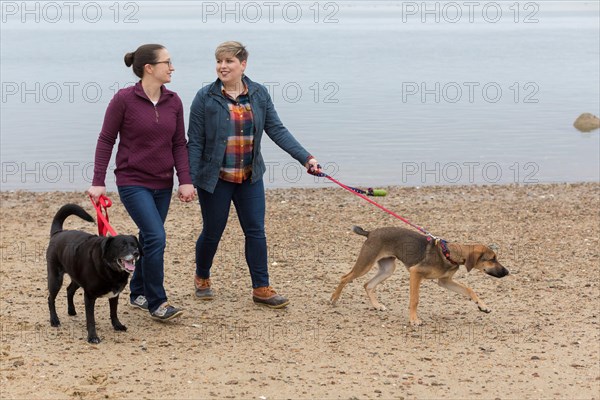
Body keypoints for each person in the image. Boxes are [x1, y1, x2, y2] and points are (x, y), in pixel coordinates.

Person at [187, 41, 321, 308]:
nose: (222, 67)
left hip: (250, 177)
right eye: (219, 62)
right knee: (213, 232)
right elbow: (195, 142)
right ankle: (202, 276)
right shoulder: (205, 97)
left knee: (256, 231)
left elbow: (277, 130)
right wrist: (188, 180)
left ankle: (261, 287)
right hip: (215, 179)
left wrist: (306, 158)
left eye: (229, 62)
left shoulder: (259, 94)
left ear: (243, 65)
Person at [88, 44, 195, 321]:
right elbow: (106, 139)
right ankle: (158, 303)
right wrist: (98, 180)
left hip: (163, 183)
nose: (172, 68)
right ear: (149, 68)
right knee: (157, 237)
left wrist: (185, 180)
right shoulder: (124, 100)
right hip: (132, 181)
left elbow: (178, 144)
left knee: (148, 238)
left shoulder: (174, 101)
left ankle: (137, 293)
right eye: (167, 63)